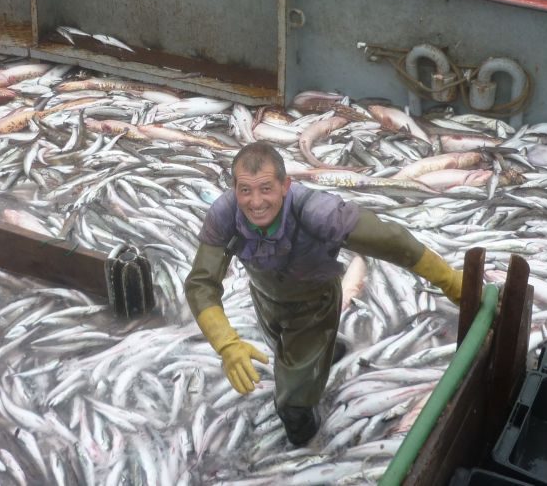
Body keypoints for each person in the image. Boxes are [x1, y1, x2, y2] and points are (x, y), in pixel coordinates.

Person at [184, 141, 463, 446]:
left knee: (292, 401)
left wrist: (447, 279)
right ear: (234, 189)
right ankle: (328, 353)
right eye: (245, 191)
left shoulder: (317, 211)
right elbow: (201, 284)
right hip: (266, 298)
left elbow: (392, 240)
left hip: (313, 304)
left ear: (285, 185)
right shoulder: (224, 214)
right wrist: (226, 344)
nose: (256, 202)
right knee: (284, 351)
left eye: (266, 189)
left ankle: (303, 428)